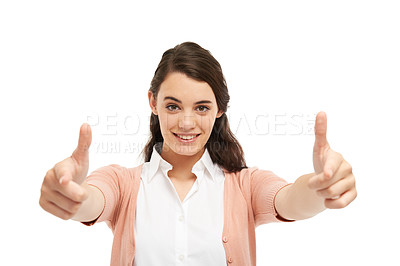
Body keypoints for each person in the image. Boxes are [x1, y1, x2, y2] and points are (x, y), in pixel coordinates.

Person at [39, 42, 357, 265]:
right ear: (153, 103)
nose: (187, 122)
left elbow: (290, 199)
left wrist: (321, 187)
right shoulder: (122, 183)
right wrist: (73, 196)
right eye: (173, 106)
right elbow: (94, 199)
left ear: (219, 109)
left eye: (201, 107)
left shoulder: (244, 186)